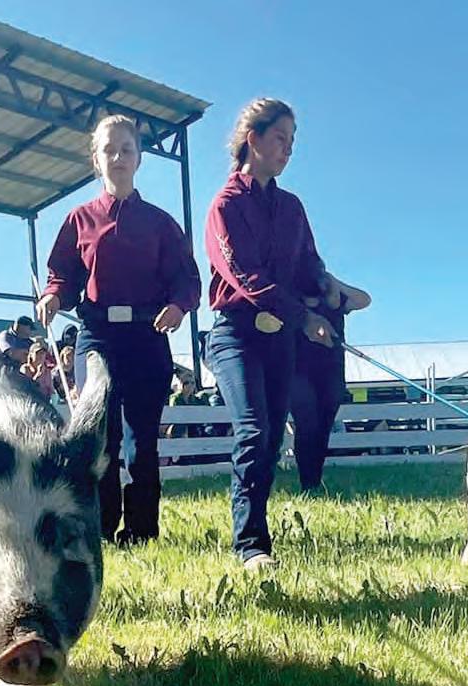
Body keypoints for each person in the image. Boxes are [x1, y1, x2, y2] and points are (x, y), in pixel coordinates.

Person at [35, 114, 202, 546]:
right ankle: (102, 528)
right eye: (109, 150)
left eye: (126, 149)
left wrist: (178, 307)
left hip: (147, 338)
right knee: (100, 440)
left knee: (141, 441)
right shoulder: (79, 220)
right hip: (97, 338)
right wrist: (53, 296)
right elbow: (62, 274)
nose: (118, 157)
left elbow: (187, 279)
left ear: (139, 158)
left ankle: (142, 531)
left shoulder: (161, 223)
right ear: (96, 159)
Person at [201, 98, 337, 571]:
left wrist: (327, 286)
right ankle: (251, 544)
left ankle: (257, 526)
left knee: (273, 434)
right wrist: (304, 318)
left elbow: (308, 262)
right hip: (235, 334)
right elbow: (244, 275)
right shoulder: (225, 206)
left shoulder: (292, 207)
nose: (288, 149)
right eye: (280, 138)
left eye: (292, 141)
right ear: (252, 139)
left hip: (281, 337)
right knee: (254, 430)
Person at [291, 274, 370, 493]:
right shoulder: (293, 306)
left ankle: (314, 480)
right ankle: (308, 482)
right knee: (307, 422)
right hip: (299, 371)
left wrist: (335, 282)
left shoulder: (333, 302)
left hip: (331, 372)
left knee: (323, 427)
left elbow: (364, 300)